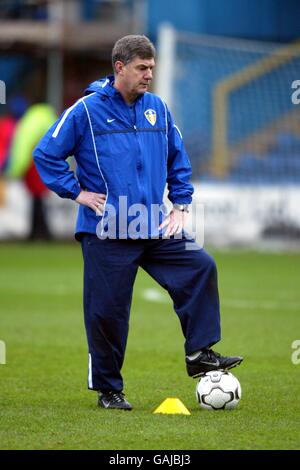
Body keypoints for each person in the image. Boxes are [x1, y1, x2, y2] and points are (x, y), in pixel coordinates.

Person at [33, 35, 243, 411]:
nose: (149, 75)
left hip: (154, 224)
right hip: (107, 229)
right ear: (119, 67)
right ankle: (109, 390)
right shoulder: (84, 111)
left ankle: (199, 352)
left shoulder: (159, 109)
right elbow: (45, 154)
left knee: (200, 266)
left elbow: (178, 158)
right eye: (142, 68)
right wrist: (76, 193)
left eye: (152, 68)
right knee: (107, 313)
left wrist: (180, 203)